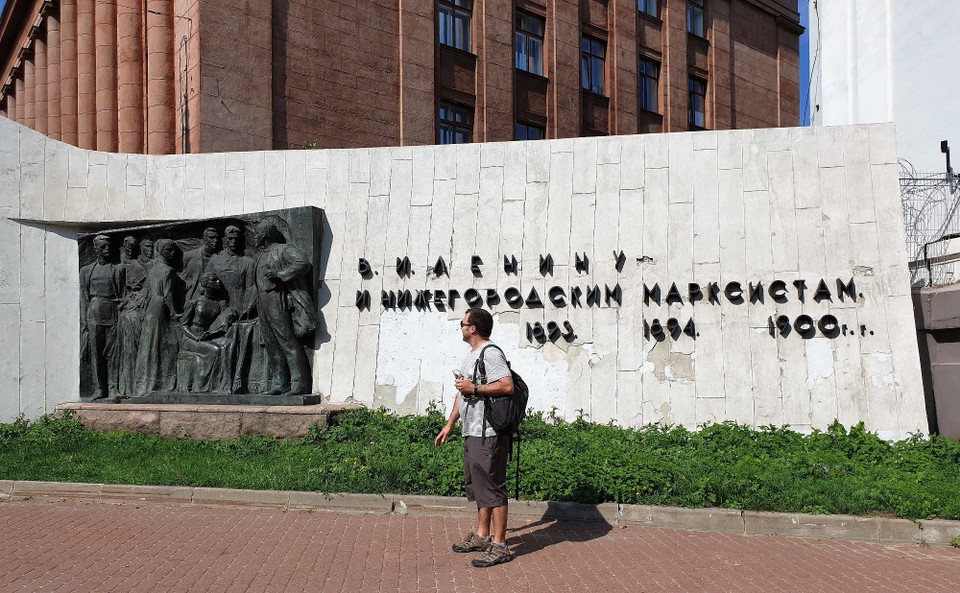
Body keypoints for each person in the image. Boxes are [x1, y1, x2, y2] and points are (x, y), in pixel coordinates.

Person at [435, 308, 515, 568]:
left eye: (463, 323)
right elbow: (463, 394)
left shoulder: (491, 353)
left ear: (473, 328)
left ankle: (501, 545)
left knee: (493, 487)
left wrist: (476, 388)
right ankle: (482, 536)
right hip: (471, 430)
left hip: (489, 432)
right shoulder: (471, 356)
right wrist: (450, 424)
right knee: (480, 486)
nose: (460, 327)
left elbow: (506, 385)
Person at [252, 220, 319, 395]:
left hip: (278, 300)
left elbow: (302, 263)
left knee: (288, 342)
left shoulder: (282, 249)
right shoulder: (261, 255)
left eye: (256, 234)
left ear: (264, 235)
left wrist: (280, 275)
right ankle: (279, 383)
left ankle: (299, 384)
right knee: (272, 344)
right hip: (263, 302)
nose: (254, 237)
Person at [134, 239, 185, 395]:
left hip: (151, 308)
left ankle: (147, 382)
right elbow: (168, 295)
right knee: (166, 345)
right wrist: (175, 313)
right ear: (161, 251)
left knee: (151, 344)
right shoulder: (168, 271)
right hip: (161, 308)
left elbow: (148, 293)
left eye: (174, 250)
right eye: (169, 250)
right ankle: (161, 382)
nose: (173, 253)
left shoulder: (153, 269)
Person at [79, 235, 125, 399]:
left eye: (109, 246)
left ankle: (113, 388)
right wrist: (84, 322)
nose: (107, 249)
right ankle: (99, 389)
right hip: (94, 312)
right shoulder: (86, 270)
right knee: (96, 354)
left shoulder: (118, 269)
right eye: (103, 246)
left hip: (112, 310)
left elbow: (123, 293)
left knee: (113, 352)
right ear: (96, 249)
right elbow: (84, 297)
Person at [182, 227, 221, 301]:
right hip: (191, 297)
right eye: (211, 238)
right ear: (205, 239)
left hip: (210, 299)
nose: (215, 241)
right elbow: (181, 276)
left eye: (217, 238)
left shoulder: (219, 258)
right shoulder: (189, 256)